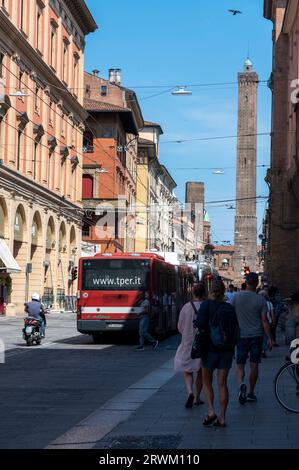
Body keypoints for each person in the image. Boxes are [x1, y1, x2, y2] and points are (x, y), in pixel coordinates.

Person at [194, 279, 238, 427]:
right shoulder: (229, 308)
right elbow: (235, 329)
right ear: (224, 292)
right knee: (222, 383)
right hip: (226, 350)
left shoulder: (206, 305)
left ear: (211, 291)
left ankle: (211, 411)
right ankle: (222, 417)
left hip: (209, 348)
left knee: (207, 380)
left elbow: (199, 323)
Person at [232, 273, 273, 404]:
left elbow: (231, 316)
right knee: (254, 364)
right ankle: (250, 392)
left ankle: (240, 386)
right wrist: (270, 338)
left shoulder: (236, 298)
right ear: (256, 284)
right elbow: (265, 321)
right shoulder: (261, 300)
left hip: (241, 336)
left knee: (240, 365)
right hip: (257, 336)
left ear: (246, 282)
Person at [174, 283, 205, 408]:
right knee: (200, 370)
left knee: (188, 370)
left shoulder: (186, 307)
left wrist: (186, 333)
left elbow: (179, 326)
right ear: (204, 293)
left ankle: (189, 392)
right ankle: (197, 397)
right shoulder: (205, 306)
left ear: (193, 293)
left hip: (187, 342)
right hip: (202, 343)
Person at [259, 290, 275, 358]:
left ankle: (261, 350)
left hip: (260, 322)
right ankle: (264, 350)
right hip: (268, 322)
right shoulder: (269, 303)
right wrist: (273, 322)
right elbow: (272, 314)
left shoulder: (258, 303)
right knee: (266, 336)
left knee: (261, 336)